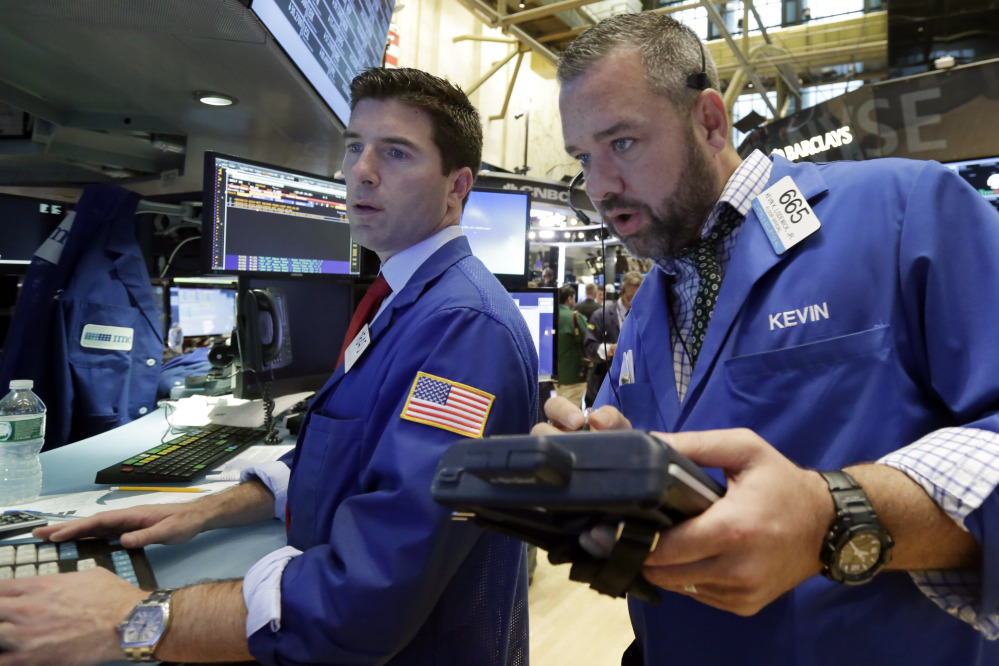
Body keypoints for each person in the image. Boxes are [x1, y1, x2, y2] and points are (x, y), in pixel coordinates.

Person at [0, 67, 538, 666]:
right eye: (355, 146)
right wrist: (200, 512)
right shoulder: (407, 300)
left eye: (397, 153)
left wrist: (135, 619)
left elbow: (366, 598)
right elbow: (342, 455)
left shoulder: (464, 328)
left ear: (456, 187)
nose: (361, 169)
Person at [538, 11, 999, 666]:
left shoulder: (904, 211)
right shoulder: (649, 307)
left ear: (708, 120)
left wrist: (834, 515)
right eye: (583, 157)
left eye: (623, 143)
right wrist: (597, 469)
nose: (599, 186)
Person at [582, 271, 642, 408]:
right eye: (630, 297)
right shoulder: (600, 315)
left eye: (638, 298)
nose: (634, 302)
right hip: (603, 384)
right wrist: (611, 349)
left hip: (634, 390)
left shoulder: (645, 316)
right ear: (622, 291)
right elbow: (589, 347)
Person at [556, 283, 589, 408]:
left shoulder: (549, 315)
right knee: (572, 417)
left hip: (555, 376)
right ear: (570, 298)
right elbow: (589, 341)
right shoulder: (574, 317)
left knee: (560, 411)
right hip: (574, 375)